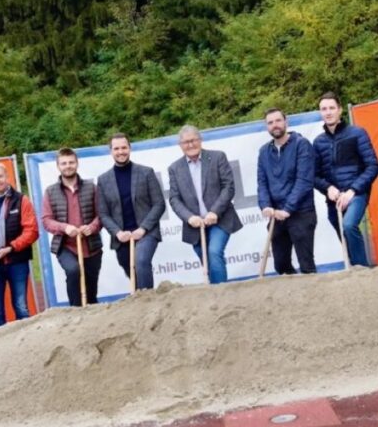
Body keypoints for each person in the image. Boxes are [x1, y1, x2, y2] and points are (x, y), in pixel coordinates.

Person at [168, 125, 243, 284]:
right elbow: (174, 199)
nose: (190, 145)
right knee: (206, 259)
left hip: (220, 219)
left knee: (214, 252)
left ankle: (220, 293)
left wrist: (214, 211)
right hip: (194, 226)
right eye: (186, 142)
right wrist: (189, 218)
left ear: (200, 140)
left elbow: (228, 186)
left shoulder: (217, 158)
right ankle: (213, 293)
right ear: (180, 145)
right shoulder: (174, 168)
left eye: (193, 140)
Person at [313, 91, 378, 267]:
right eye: (324, 109)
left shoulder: (357, 133)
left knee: (349, 226)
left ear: (340, 110)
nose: (328, 112)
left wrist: (353, 190)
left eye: (331, 108)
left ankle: (362, 270)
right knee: (343, 235)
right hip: (333, 199)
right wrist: (328, 188)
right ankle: (354, 272)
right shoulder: (318, 142)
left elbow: (373, 166)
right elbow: (314, 175)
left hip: (355, 193)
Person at [97, 134, 166, 291]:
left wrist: (143, 229)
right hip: (121, 237)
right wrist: (117, 233)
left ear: (130, 148)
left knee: (141, 260)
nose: (120, 151)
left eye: (124, 147)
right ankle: (141, 302)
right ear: (111, 151)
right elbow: (103, 213)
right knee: (132, 272)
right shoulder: (103, 179)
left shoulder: (146, 173)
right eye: (116, 148)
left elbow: (159, 204)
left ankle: (148, 300)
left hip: (146, 232)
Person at [257, 108, 317, 274]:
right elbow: (262, 183)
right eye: (270, 122)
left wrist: (288, 208)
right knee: (281, 265)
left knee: (306, 265)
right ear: (266, 127)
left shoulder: (301, 144)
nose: (274, 125)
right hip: (277, 215)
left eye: (278, 121)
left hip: (301, 213)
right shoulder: (263, 152)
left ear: (286, 122)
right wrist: (265, 206)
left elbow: (304, 181)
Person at [42, 148, 103, 306]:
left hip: (91, 247)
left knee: (91, 290)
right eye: (64, 163)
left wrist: (92, 227)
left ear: (77, 164)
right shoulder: (50, 191)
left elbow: (102, 214)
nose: (68, 166)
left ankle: (93, 316)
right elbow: (46, 220)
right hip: (66, 246)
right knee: (73, 271)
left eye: (71, 162)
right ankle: (74, 311)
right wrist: (64, 227)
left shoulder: (91, 187)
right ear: (58, 166)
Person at [0, 163, 38, 323]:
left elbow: (32, 231)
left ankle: (28, 343)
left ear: (7, 177)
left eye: (0, 176)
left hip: (17, 261)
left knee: (21, 306)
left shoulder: (21, 200)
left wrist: (10, 248)